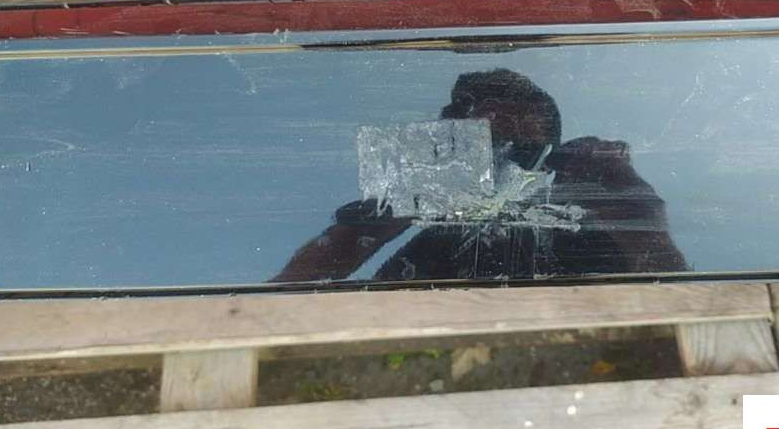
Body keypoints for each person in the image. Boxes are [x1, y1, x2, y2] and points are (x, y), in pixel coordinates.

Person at [273, 69, 687, 283]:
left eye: (521, 151)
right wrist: (380, 219)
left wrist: (623, 193)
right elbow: (289, 292)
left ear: (549, 162)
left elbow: (674, 287)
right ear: (441, 150)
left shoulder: (581, 228)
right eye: (481, 148)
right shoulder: (421, 242)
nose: (499, 166)